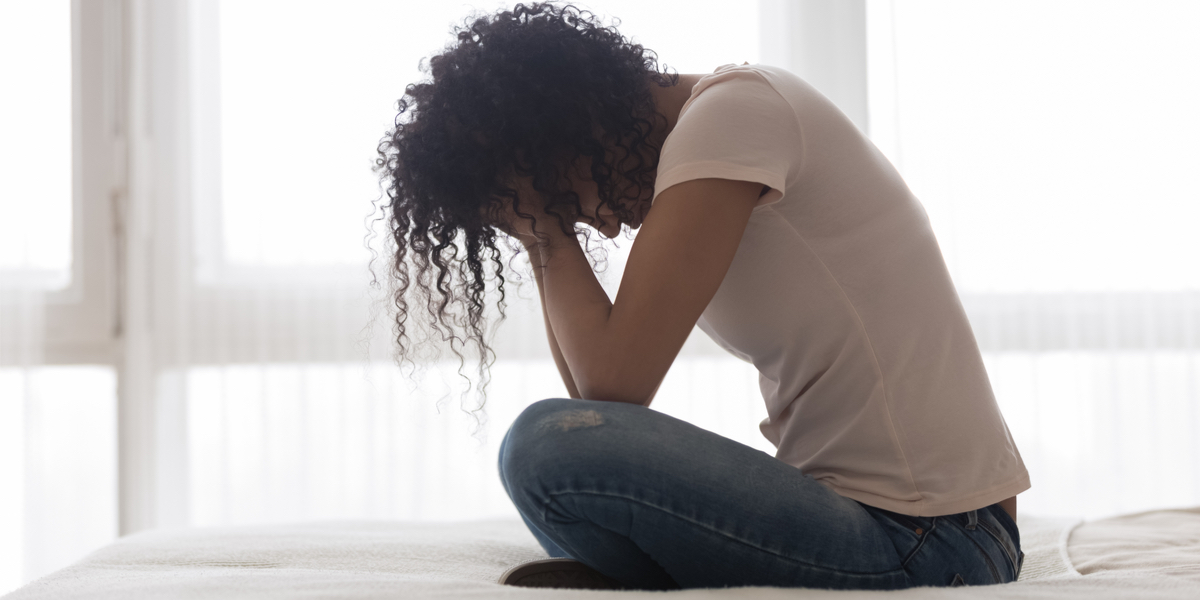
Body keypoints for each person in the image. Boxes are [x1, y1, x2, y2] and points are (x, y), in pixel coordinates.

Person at [375, 2, 1030, 591]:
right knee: (552, 457)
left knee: (543, 448)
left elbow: (612, 387)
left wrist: (544, 231)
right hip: (901, 526)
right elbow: (596, 402)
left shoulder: (734, 116)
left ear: (572, 127)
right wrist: (538, 229)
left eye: (569, 195)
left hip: (937, 537)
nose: (601, 224)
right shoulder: (717, 133)